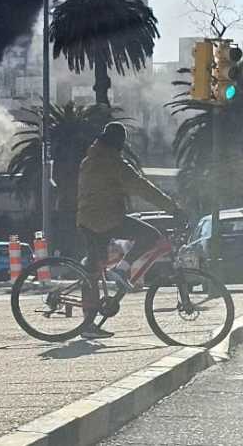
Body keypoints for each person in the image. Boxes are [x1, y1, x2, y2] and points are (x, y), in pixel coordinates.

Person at [77, 121, 179, 338]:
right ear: (119, 144)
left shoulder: (90, 160)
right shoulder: (115, 164)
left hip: (88, 220)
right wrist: (173, 208)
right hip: (107, 219)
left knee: (93, 270)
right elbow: (143, 188)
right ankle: (122, 269)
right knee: (151, 235)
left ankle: (88, 324)